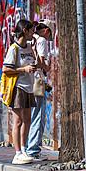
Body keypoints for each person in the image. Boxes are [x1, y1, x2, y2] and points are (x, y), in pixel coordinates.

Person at [3, 19, 39, 165]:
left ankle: (24, 150)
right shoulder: (14, 49)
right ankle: (17, 153)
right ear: (25, 31)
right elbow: (6, 69)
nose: (33, 34)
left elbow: (35, 59)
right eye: (31, 31)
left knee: (27, 120)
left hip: (29, 87)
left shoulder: (30, 47)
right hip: (18, 87)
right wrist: (23, 69)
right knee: (17, 121)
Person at [26, 19, 54, 159]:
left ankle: (28, 147)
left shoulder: (30, 39)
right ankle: (33, 149)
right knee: (38, 116)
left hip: (28, 80)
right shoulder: (42, 41)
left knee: (29, 116)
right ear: (47, 31)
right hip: (37, 80)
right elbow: (40, 62)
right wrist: (47, 68)